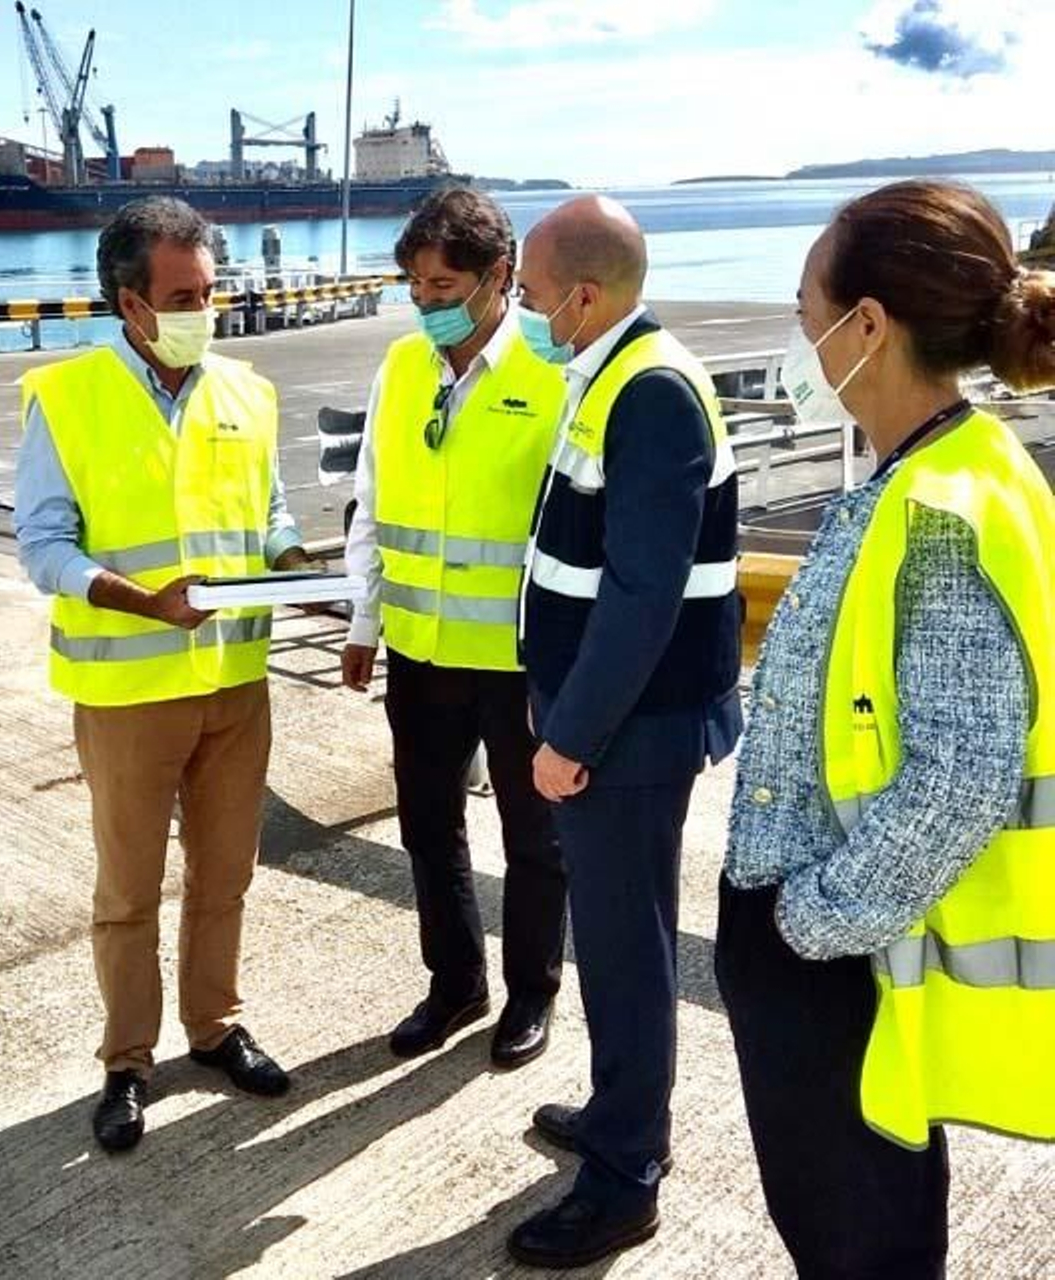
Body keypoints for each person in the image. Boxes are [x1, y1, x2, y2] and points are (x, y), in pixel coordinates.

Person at [717, 180, 1055, 1278]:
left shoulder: (941, 508)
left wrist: (803, 925)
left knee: (858, 1239)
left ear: (868, 324)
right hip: (835, 941)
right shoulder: (940, 469)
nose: (802, 327)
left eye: (807, 300)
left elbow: (961, 777)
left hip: (838, 958)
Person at [14, 197, 310, 1153]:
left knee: (227, 872)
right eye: (182, 295)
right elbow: (42, 546)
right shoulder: (65, 399)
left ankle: (216, 1027)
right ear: (129, 304)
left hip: (234, 682)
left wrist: (295, 555)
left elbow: (267, 515)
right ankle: (128, 1061)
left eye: (210, 291)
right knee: (129, 890)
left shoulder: (249, 394)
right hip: (128, 691)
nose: (203, 309)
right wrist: (143, 602)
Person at [507, 196, 742, 1268]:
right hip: (611, 724)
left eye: (527, 290)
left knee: (624, 949)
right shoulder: (611, 372)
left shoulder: (646, 392)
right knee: (616, 937)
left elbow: (643, 593)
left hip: (625, 735)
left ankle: (623, 1176)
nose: (521, 306)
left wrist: (572, 734)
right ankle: (619, 1114)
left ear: (583, 295)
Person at [340, 187, 568, 1068]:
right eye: (415, 286)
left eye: (444, 285)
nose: (427, 302)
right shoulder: (401, 367)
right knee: (428, 827)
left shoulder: (552, 370)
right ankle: (455, 983)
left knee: (534, 837)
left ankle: (531, 993)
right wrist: (364, 618)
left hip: (519, 659)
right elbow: (374, 498)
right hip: (421, 650)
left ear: (499, 278)